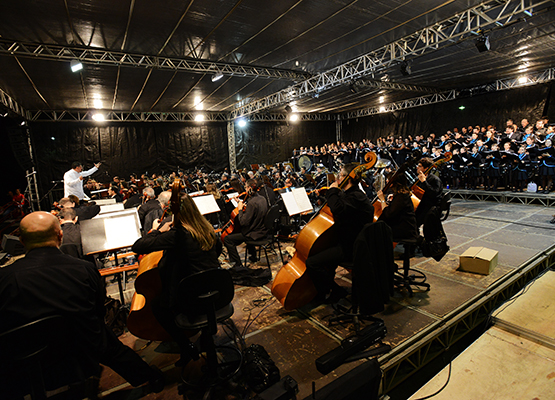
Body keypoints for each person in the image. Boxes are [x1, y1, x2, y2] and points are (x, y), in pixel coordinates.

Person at [0, 212, 164, 396]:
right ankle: (150, 378)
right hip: (82, 341)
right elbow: (99, 309)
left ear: (21, 241)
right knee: (101, 335)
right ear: (60, 235)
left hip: (28, 354)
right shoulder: (83, 269)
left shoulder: (5, 278)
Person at [132, 194, 222, 362]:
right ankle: (205, 334)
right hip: (217, 293)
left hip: (193, 299)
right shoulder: (207, 228)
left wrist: (155, 231)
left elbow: (138, 246)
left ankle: (186, 346)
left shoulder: (177, 235)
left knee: (157, 306)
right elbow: (217, 251)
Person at [305, 162, 374, 304]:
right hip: (351, 242)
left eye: (340, 175)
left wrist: (332, 190)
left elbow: (337, 209)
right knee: (325, 259)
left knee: (312, 263)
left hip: (352, 248)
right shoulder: (352, 195)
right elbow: (340, 206)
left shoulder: (355, 197)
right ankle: (325, 292)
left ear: (347, 178)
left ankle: (335, 290)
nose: (337, 178)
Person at [223, 179, 268, 271]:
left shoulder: (251, 202)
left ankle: (238, 264)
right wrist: (240, 203)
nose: (245, 189)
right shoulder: (262, 198)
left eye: (246, 187)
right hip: (263, 230)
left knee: (227, 239)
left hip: (254, 233)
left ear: (250, 188)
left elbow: (243, 222)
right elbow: (254, 212)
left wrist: (240, 209)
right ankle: (253, 256)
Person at [377, 177, 419, 242]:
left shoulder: (401, 197)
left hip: (404, 230)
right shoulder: (402, 195)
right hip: (405, 227)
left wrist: (382, 199)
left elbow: (388, 214)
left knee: (379, 230)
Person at [414, 157, 443, 228]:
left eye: (420, 166)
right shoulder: (420, 178)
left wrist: (424, 182)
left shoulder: (435, 179)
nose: (417, 167)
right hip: (423, 203)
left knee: (413, 219)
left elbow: (433, 194)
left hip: (430, 206)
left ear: (426, 168)